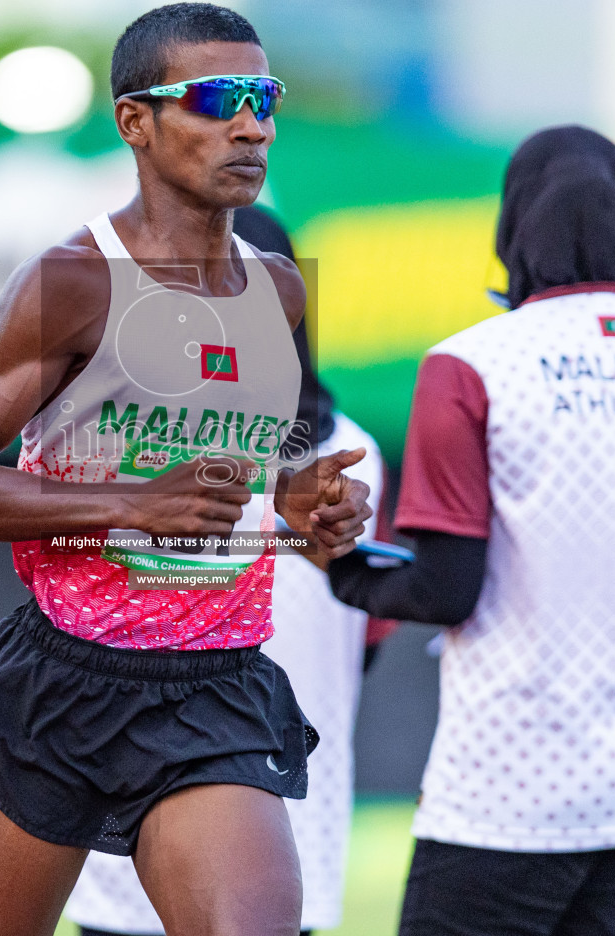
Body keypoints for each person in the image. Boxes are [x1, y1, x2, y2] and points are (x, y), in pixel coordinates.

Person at [0, 3, 373, 936]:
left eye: (263, 97)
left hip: (213, 687)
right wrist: (131, 505)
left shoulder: (277, 289)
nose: (252, 124)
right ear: (136, 123)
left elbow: (208, 496)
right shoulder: (68, 282)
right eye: (215, 99)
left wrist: (292, 512)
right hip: (68, 682)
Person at [329, 126, 615, 936]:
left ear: (511, 225)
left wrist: (339, 567)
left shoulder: (471, 365)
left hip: (513, 781)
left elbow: (445, 589)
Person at [65, 206, 389, 936]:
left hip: (281, 794)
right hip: (138, 783)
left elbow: (363, 621)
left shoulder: (347, 453)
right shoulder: (130, 430)